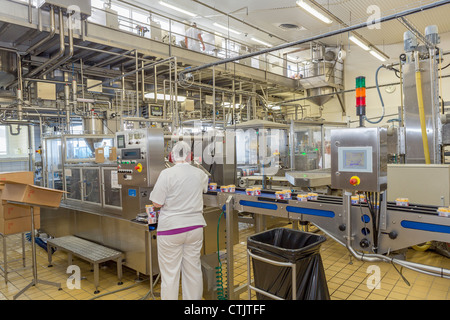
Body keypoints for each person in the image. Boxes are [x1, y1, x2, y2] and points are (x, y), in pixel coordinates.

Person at [150, 141, 209, 300]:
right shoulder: (200, 174)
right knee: (193, 271)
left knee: (170, 274)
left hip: (171, 230)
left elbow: (157, 203)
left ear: (171, 156)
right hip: (195, 228)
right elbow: (205, 188)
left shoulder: (166, 174)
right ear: (190, 156)